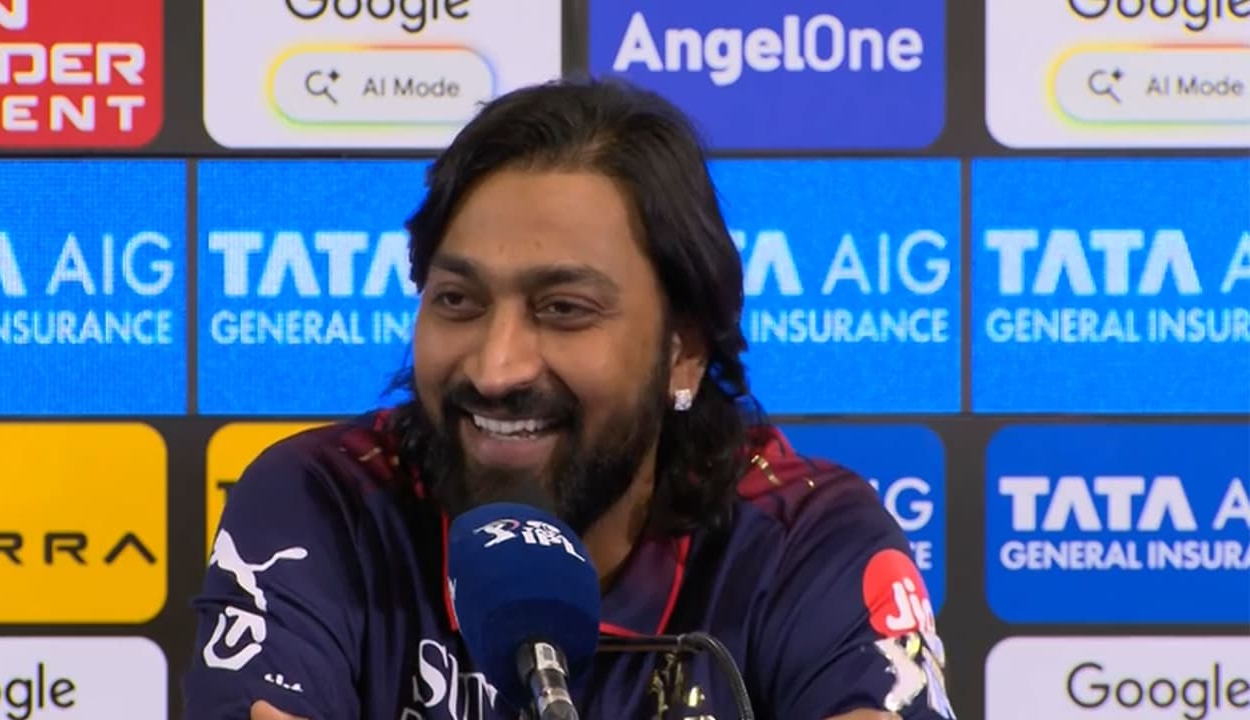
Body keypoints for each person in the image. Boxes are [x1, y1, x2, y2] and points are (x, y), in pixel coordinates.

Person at [183, 77, 957, 720]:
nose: (496, 369)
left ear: (683, 351)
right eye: (457, 300)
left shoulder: (803, 538)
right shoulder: (326, 503)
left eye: (563, 309)